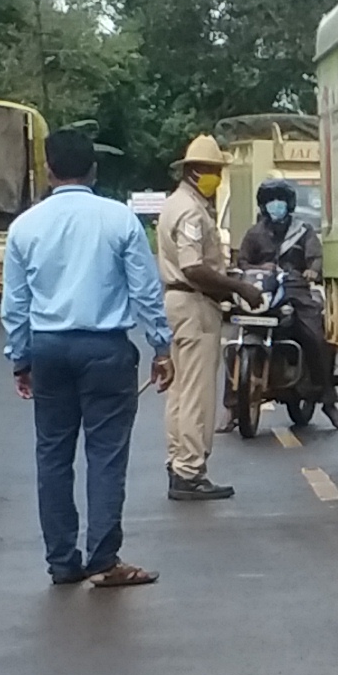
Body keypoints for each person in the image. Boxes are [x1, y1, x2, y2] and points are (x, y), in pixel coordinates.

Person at [0, 128, 167, 589]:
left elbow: (15, 303)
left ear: (47, 171)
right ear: (93, 169)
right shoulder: (119, 220)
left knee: (52, 453)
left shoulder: (24, 226)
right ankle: (104, 558)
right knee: (105, 454)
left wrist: (20, 357)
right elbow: (146, 290)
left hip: (49, 349)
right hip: (106, 349)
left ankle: (61, 561)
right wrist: (161, 345)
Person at [153, 133, 238, 501]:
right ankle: (190, 469)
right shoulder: (190, 211)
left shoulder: (176, 204)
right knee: (196, 394)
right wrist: (236, 288)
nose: (216, 177)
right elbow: (194, 267)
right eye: (212, 170)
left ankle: (178, 463)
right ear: (195, 171)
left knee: (179, 390)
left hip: (176, 303)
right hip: (194, 303)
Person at [234, 177, 336, 428]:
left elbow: (315, 258)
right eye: (270, 200)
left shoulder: (303, 231)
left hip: (295, 291)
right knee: (235, 336)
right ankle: (231, 406)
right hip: (262, 292)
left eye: (279, 200)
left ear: (288, 204)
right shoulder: (254, 233)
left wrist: (312, 270)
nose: (275, 204)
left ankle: (328, 401)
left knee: (315, 334)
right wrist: (259, 267)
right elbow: (242, 262)